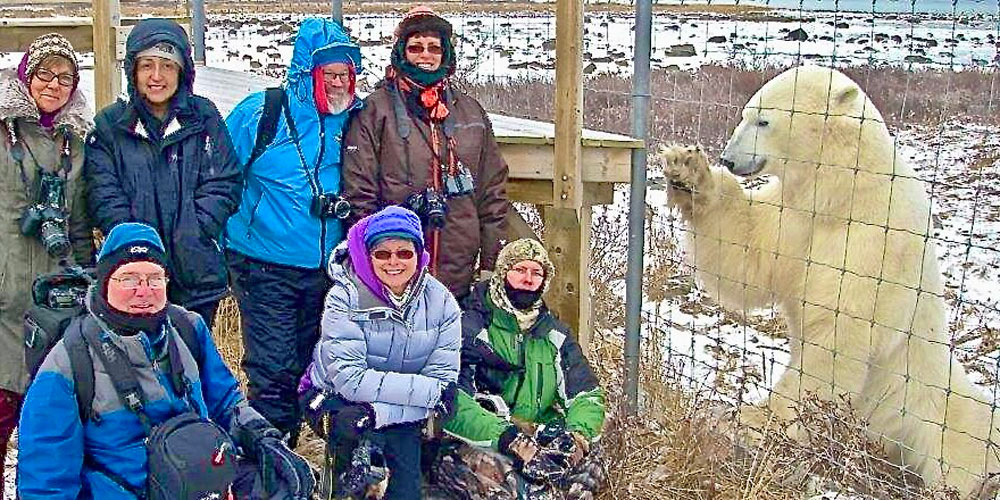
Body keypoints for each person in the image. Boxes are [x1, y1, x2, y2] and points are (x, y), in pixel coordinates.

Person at [17, 222, 314, 500]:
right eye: (129, 278)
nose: (144, 290)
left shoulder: (187, 328)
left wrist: (263, 439)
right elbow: (46, 480)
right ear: (105, 282)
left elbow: (226, 401)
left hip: (198, 483)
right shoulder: (70, 360)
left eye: (154, 278)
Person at [224, 16, 363, 446]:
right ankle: (270, 464)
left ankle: (304, 452)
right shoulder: (261, 114)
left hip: (329, 268)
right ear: (308, 74)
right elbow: (219, 179)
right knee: (273, 369)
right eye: (331, 75)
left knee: (316, 366)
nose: (340, 83)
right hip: (263, 264)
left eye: (346, 74)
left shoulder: (357, 120)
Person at [341, 5, 509, 304]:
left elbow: (492, 191)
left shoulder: (471, 112)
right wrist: (368, 257)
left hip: (457, 267)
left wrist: (491, 262)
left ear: (446, 54)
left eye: (434, 48)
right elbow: (359, 190)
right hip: (394, 265)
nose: (425, 56)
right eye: (416, 47)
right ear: (401, 52)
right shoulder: (375, 110)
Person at [85, 18, 242, 328]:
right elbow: (103, 193)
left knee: (190, 363)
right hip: (133, 275)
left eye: (168, 66)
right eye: (147, 66)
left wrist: (196, 229)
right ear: (133, 70)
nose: (157, 77)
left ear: (182, 71)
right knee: (135, 364)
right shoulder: (110, 126)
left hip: (195, 273)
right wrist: (134, 242)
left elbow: (224, 181)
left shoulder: (203, 117)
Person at [298, 206, 461, 500]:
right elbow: (350, 379)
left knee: (406, 487)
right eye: (382, 254)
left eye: (404, 253)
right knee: (351, 475)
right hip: (337, 397)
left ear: (419, 255)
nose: (394, 262)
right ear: (368, 255)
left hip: (394, 408)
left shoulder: (442, 302)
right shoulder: (343, 296)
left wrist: (377, 414)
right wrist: (428, 393)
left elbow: (443, 382)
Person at [435, 238, 606, 499]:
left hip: (536, 435)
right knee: (513, 487)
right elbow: (452, 402)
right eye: (520, 270)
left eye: (536, 273)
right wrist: (507, 437)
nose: (528, 279)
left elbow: (587, 394)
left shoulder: (555, 334)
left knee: (589, 468)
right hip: (481, 439)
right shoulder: (469, 324)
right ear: (503, 273)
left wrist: (576, 437)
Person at [0, 32, 94, 497]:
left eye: (65, 77)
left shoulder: (74, 145)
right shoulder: (1, 131)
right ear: (25, 75)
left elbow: (77, 225)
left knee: (48, 432)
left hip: (52, 303)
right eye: (44, 73)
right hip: (3, 296)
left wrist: (84, 282)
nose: (53, 85)